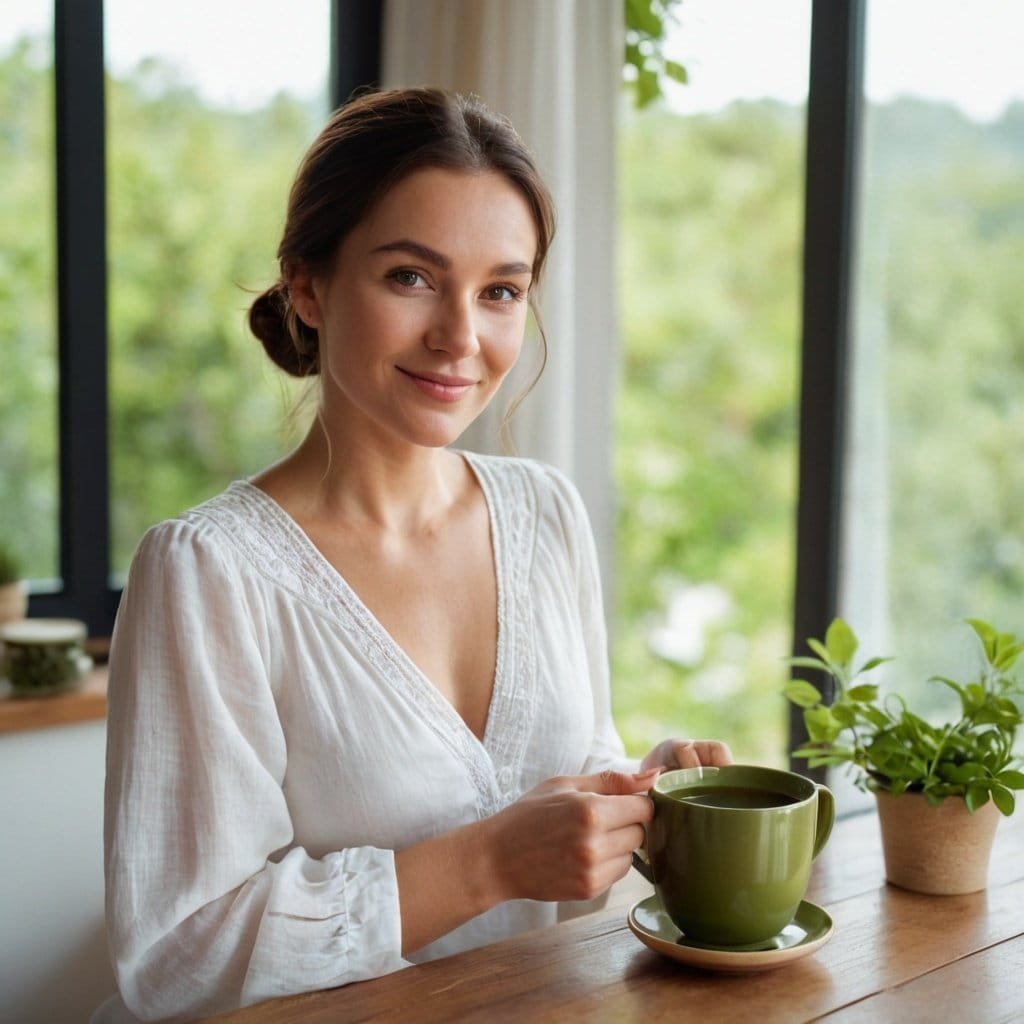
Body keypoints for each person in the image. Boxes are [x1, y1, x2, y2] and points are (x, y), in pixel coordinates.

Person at [96, 86, 731, 1023]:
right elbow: (175, 955)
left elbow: (563, 776)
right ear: (308, 287)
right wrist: (492, 860)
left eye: (501, 291)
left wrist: (643, 794)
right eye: (410, 277)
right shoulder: (207, 572)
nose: (461, 339)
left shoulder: (545, 513)